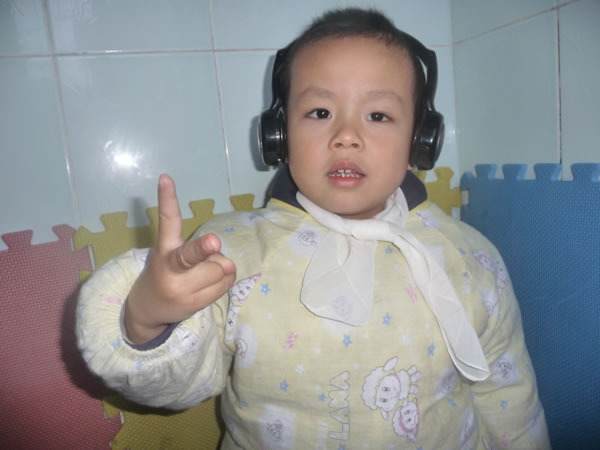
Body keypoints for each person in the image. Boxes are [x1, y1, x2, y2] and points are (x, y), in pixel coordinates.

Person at [77, 8, 550, 449]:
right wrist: (147, 319)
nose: (346, 136)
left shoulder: (470, 257)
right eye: (320, 113)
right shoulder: (230, 251)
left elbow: (509, 397)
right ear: (279, 135)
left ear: (420, 141)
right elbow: (178, 386)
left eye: (378, 115)